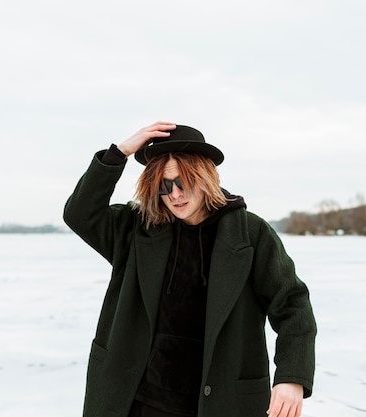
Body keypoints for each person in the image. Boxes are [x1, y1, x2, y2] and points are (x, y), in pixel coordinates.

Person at [63, 122, 317, 417]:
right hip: (136, 402)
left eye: (183, 182)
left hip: (217, 402)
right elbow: (80, 214)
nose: (175, 195)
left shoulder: (249, 234)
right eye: (164, 185)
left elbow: (293, 306)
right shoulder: (137, 229)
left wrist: (291, 377)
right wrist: (119, 153)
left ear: (205, 177)